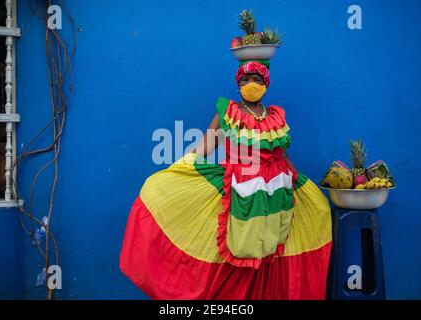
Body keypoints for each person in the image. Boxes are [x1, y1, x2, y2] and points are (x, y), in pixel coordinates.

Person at [119, 59, 332, 300]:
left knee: (271, 248)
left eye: (257, 80)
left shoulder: (276, 118)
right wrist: (182, 167)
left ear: (266, 84)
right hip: (241, 191)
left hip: (276, 192)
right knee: (240, 245)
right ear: (238, 83)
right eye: (245, 80)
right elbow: (205, 147)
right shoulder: (227, 115)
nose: (251, 84)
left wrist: (299, 181)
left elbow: (282, 154)